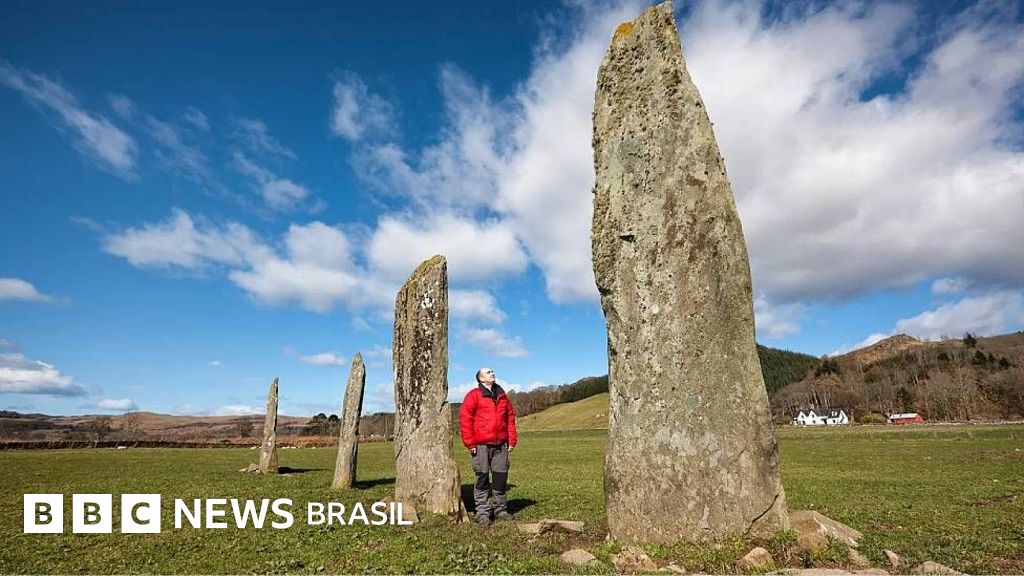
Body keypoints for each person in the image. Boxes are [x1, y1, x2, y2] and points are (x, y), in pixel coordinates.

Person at [459, 367, 518, 526]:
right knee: (482, 479)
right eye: (488, 372)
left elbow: (510, 419)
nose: (492, 373)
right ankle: (483, 513)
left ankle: (501, 511)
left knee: (500, 479)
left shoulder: (502, 396)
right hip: (481, 445)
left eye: (492, 371)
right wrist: (470, 443)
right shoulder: (473, 395)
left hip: (500, 445)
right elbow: (465, 421)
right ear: (480, 379)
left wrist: (512, 439)